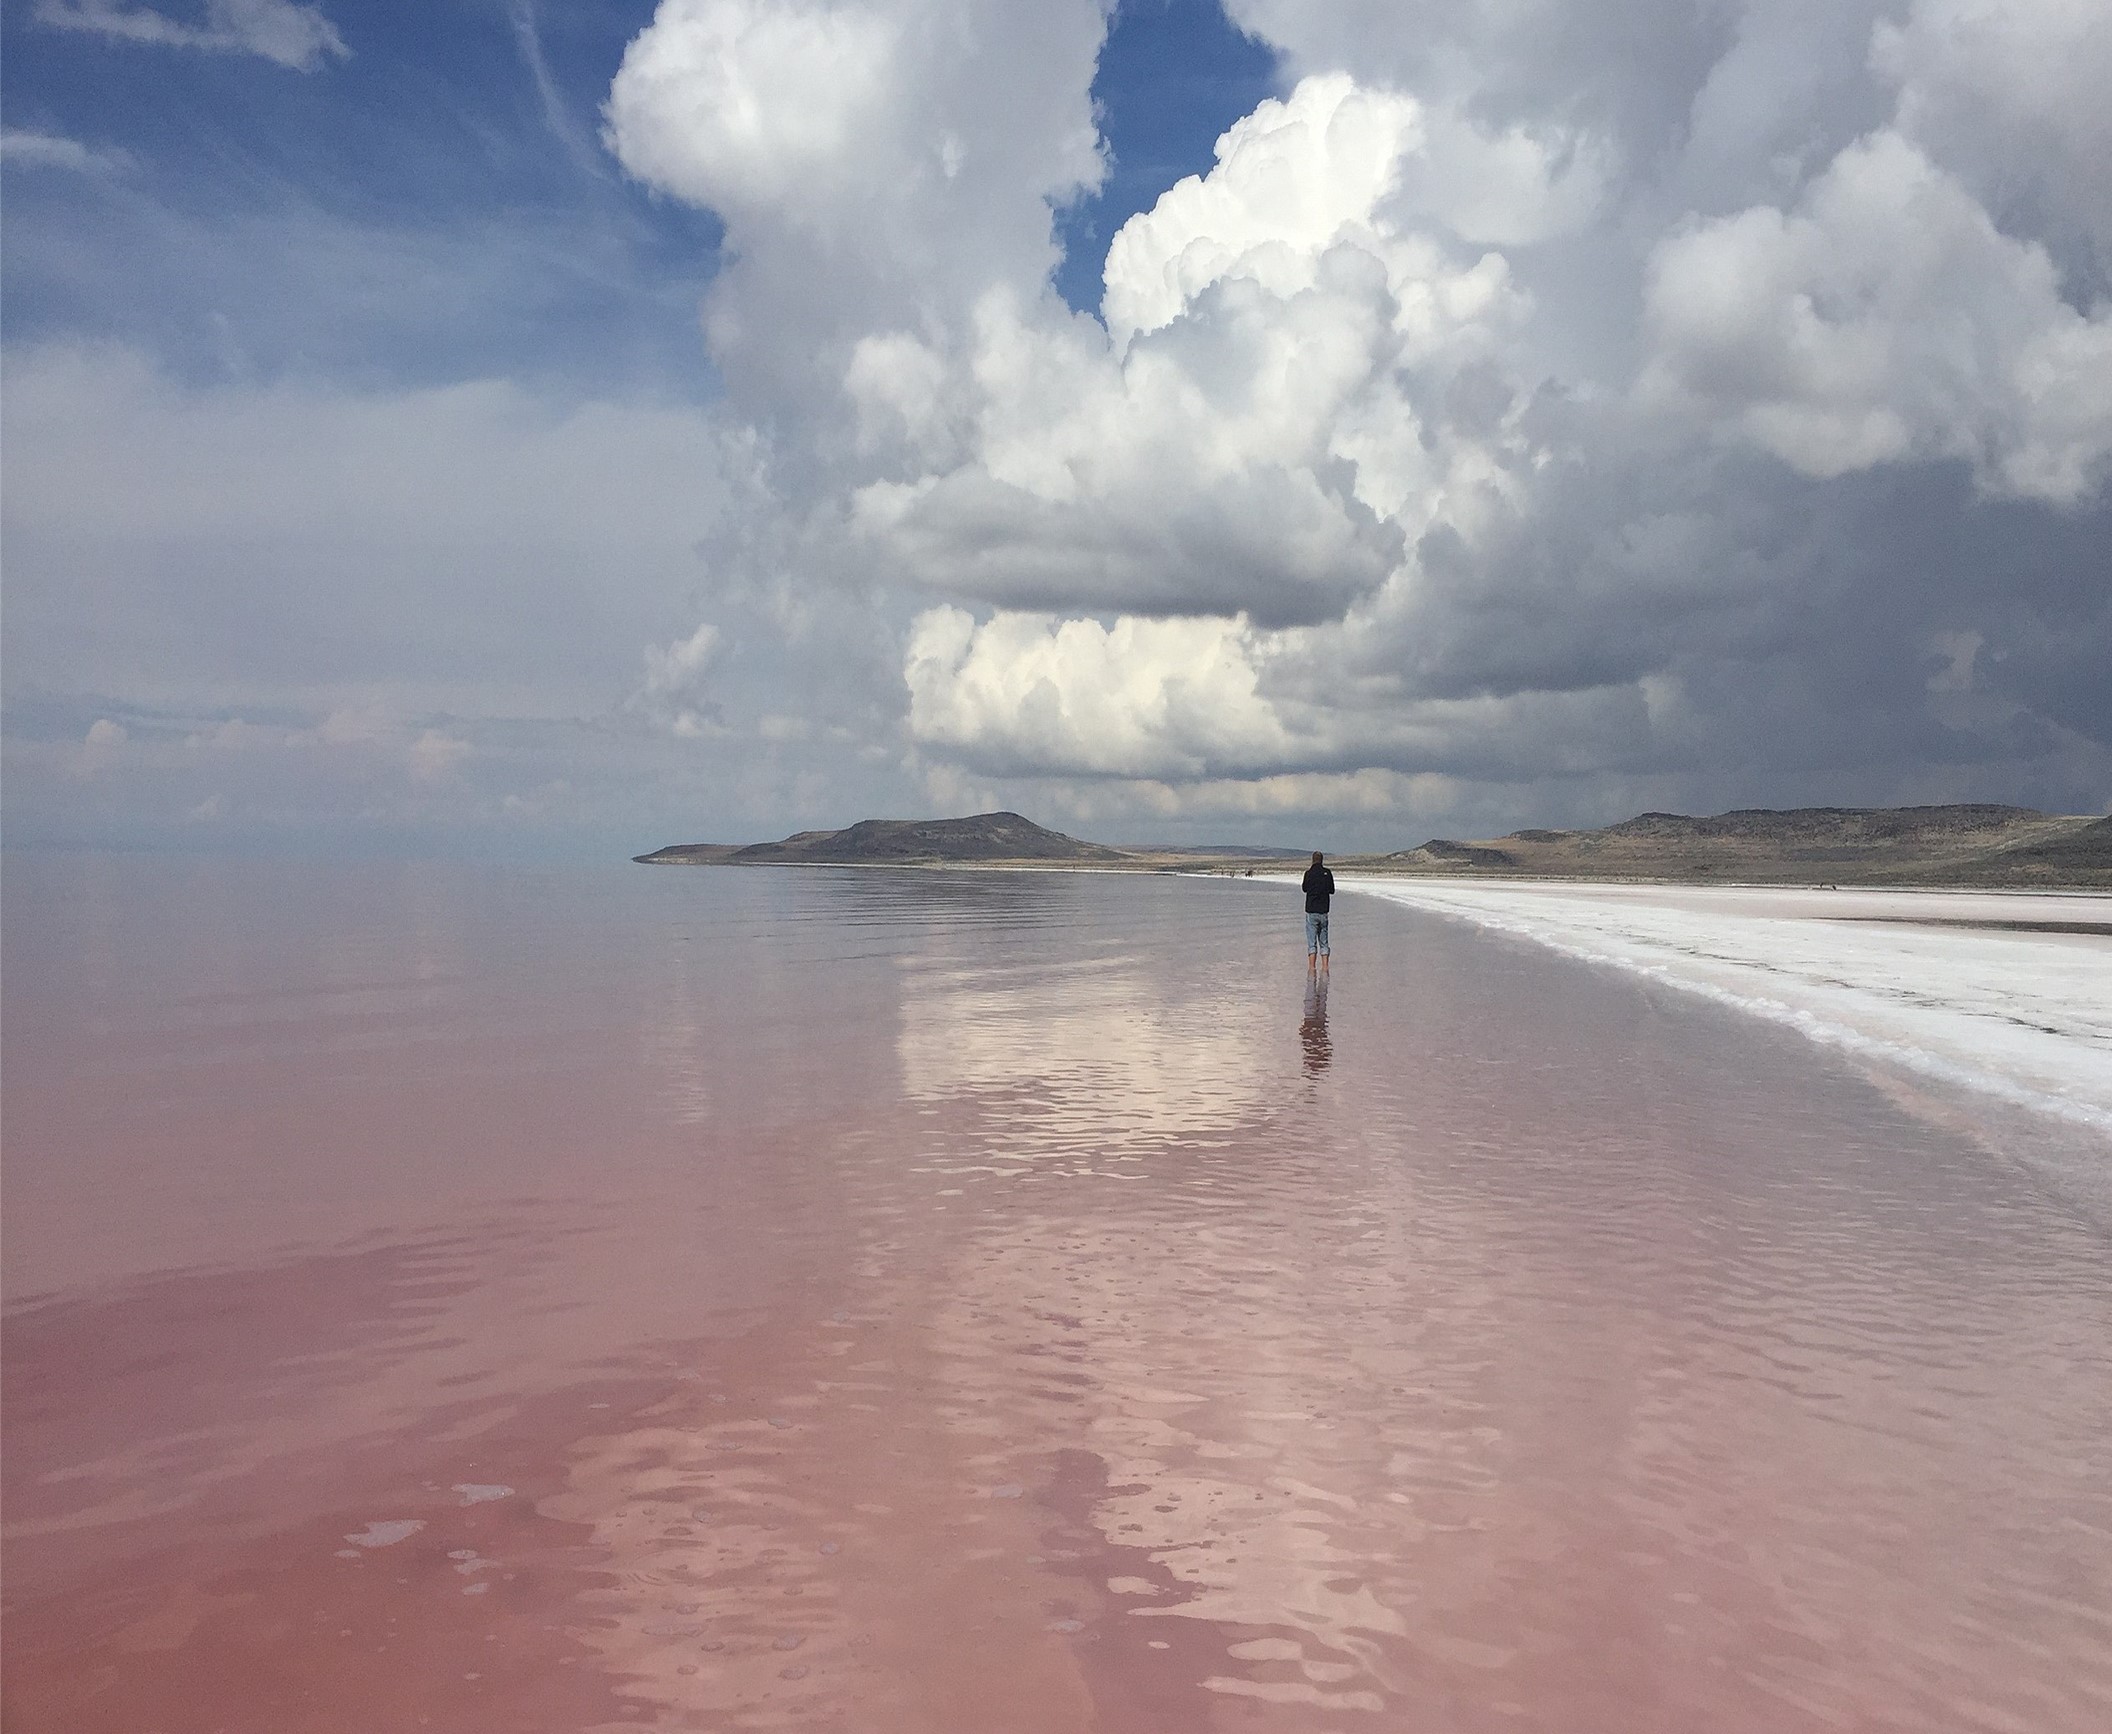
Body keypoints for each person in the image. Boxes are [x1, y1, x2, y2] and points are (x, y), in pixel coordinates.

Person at [1301, 850, 1335, 972]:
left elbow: (1304, 889)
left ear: (1312, 860)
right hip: (1324, 911)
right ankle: (1325, 968)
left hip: (1311, 911)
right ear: (1321, 860)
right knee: (1324, 942)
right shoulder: (1327, 873)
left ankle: (1312, 968)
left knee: (1312, 943)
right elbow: (1332, 890)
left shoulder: (1308, 873)